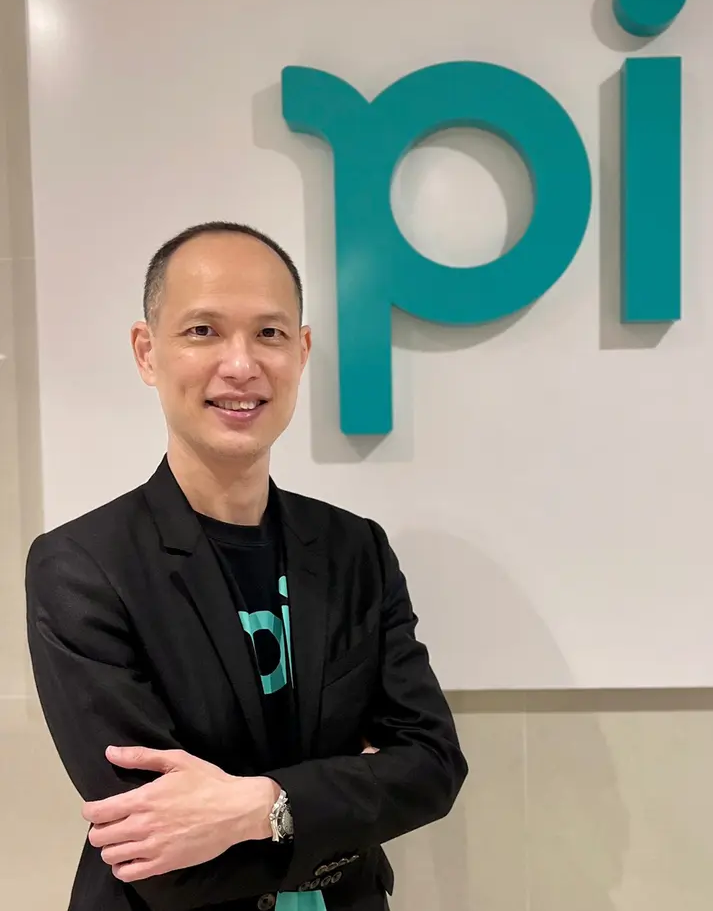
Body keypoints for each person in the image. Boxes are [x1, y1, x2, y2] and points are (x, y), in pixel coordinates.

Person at [25, 222, 467, 911]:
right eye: (203, 331)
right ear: (147, 351)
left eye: (269, 333)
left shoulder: (356, 550)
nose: (240, 365)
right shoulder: (83, 568)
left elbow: (432, 767)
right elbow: (158, 853)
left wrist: (264, 807)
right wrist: (348, 800)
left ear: (302, 350)